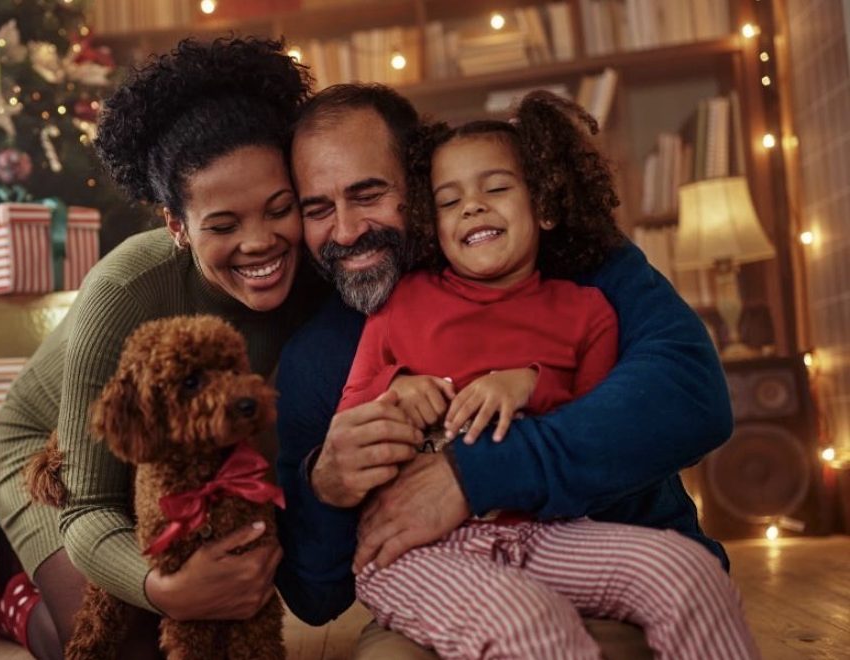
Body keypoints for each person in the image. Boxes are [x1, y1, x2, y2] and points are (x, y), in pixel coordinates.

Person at [273, 83, 736, 651]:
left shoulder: (570, 260)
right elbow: (314, 597)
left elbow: (692, 395)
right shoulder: (317, 355)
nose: (345, 231)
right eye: (318, 209)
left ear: (419, 181)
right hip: (438, 581)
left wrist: (472, 474)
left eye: (369, 194)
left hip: (601, 551)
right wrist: (326, 487)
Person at [0, 37, 321, 659]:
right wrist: (164, 589)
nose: (261, 244)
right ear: (176, 224)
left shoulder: (318, 273)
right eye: (223, 226)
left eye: (280, 210)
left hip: (190, 456)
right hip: (58, 457)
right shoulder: (126, 287)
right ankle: (23, 608)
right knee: (120, 642)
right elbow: (88, 503)